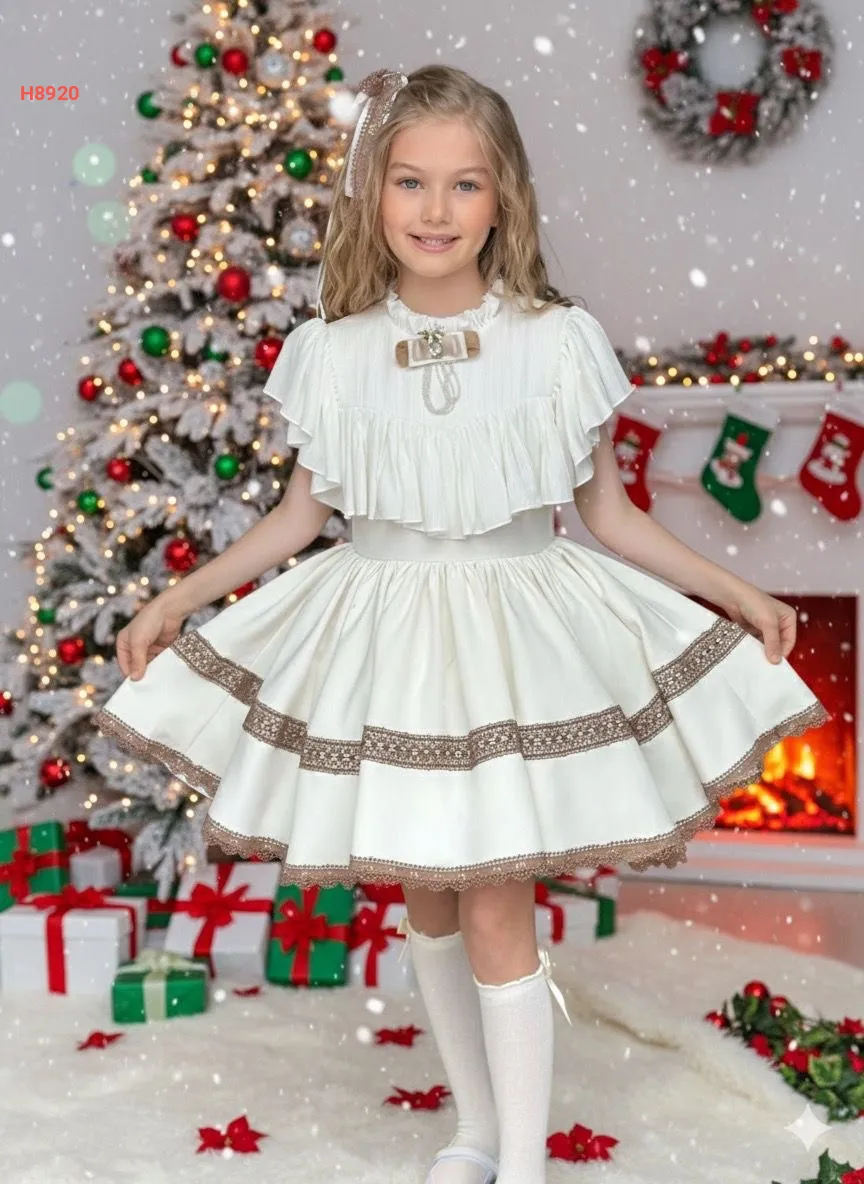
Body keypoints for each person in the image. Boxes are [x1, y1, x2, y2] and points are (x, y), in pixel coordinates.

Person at [95, 65, 829, 1184]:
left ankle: (523, 1163)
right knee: (428, 896)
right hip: (389, 639)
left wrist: (735, 591)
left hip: (513, 638)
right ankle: (477, 1130)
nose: (435, 210)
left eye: (464, 184)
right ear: (375, 192)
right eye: (411, 181)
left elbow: (607, 515)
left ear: (503, 199)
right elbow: (297, 517)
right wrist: (174, 598)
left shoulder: (555, 340)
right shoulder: (334, 352)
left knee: (494, 901)